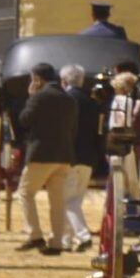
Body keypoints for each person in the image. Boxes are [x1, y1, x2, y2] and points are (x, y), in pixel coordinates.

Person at [13, 61, 77, 253]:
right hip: (64, 155)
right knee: (57, 200)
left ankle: (35, 235)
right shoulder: (69, 98)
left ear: (38, 79)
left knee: (25, 193)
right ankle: (57, 241)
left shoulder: (39, 96)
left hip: (41, 154)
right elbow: (74, 128)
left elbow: (25, 120)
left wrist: (31, 97)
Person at [62, 64, 105, 249]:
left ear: (64, 81)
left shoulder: (65, 100)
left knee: (68, 201)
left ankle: (83, 235)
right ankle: (66, 239)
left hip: (71, 156)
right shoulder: (92, 103)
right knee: (75, 200)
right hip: (88, 157)